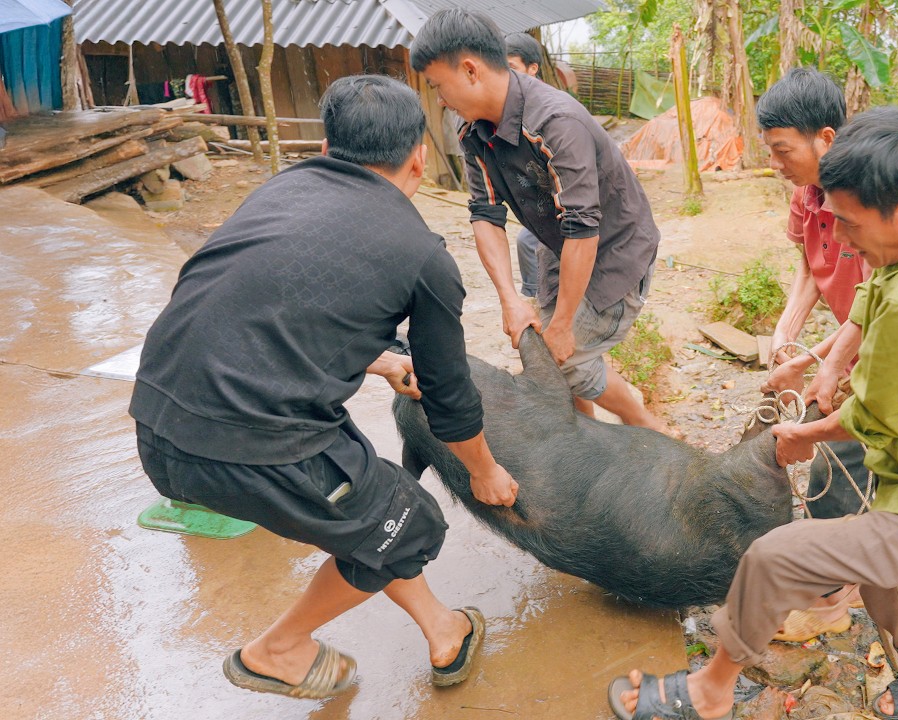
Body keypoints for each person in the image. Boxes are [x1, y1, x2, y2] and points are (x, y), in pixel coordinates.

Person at [607, 106, 898, 720]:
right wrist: (826, 359)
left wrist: (800, 435)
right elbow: (875, 287)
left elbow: (869, 421)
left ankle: (710, 692)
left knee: (776, 555)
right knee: (883, 578)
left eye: (852, 225)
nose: (844, 239)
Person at [130, 75, 519, 699]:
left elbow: (251, 301)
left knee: (375, 510)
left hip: (156, 422)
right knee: (411, 525)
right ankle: (277, 650)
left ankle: (444, 631)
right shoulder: (423, 255)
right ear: (420, 155)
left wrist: (379, 358)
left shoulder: (281, 189)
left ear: (325, 148)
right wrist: (485, 471)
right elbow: (449, 396)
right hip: (246, 449)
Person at [410, 9, 673, 436]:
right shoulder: (471, 130)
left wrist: (565, 324)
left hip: (615, 250)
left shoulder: (555, 122)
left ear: (471, 70)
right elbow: (485, 213)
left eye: (439, 85)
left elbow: (585, 228)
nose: (439, 98)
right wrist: (510, 298)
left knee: (560, 361)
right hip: (558, 244)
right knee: (557, 359)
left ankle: (642, 421)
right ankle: (587, 440)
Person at [755, 67, 874, 643]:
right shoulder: (808, 194)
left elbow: (875, 303)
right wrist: (787, 332)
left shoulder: (867, 195)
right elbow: (809, 268)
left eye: (784, 150)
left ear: (825, 139)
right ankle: (847, 569)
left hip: (882, 342)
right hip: (849, 343)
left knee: (839, 456)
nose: (776, 163)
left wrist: (812, 362)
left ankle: (832, 600)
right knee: (851, 456)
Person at [506, 31, 550, 299]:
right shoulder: (513, 103)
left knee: (529, 241)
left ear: (532, 69)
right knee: (527, 242)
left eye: (511, 68)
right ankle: (537, 297)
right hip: (540, 195)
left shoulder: (550, 108)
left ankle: (541, 298)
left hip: (569, 198)